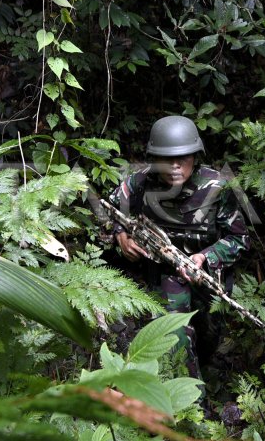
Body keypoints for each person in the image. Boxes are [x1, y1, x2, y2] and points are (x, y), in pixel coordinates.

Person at [107, 115, 250, 378]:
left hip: (207, 278)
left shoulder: (217, 188)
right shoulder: (138, 184)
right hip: (164, 276)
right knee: (175, 336)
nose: (175, 166)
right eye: (166, 159)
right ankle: (192, 407)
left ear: (196, 156)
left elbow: (239, 239)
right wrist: (120, 237)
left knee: (209, 338)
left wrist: (205, 257)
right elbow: (106, 214)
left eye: (182, 158)